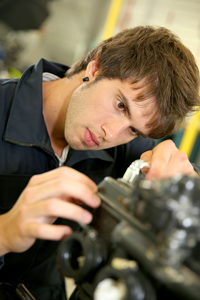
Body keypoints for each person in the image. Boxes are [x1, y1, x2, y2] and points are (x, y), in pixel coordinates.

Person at [0, 25, 199, 300]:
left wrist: (186, 180)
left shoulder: (123, 145)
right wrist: (5, 234)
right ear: (95, 68)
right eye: (120, 105)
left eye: (134, 130)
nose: (112, 133)